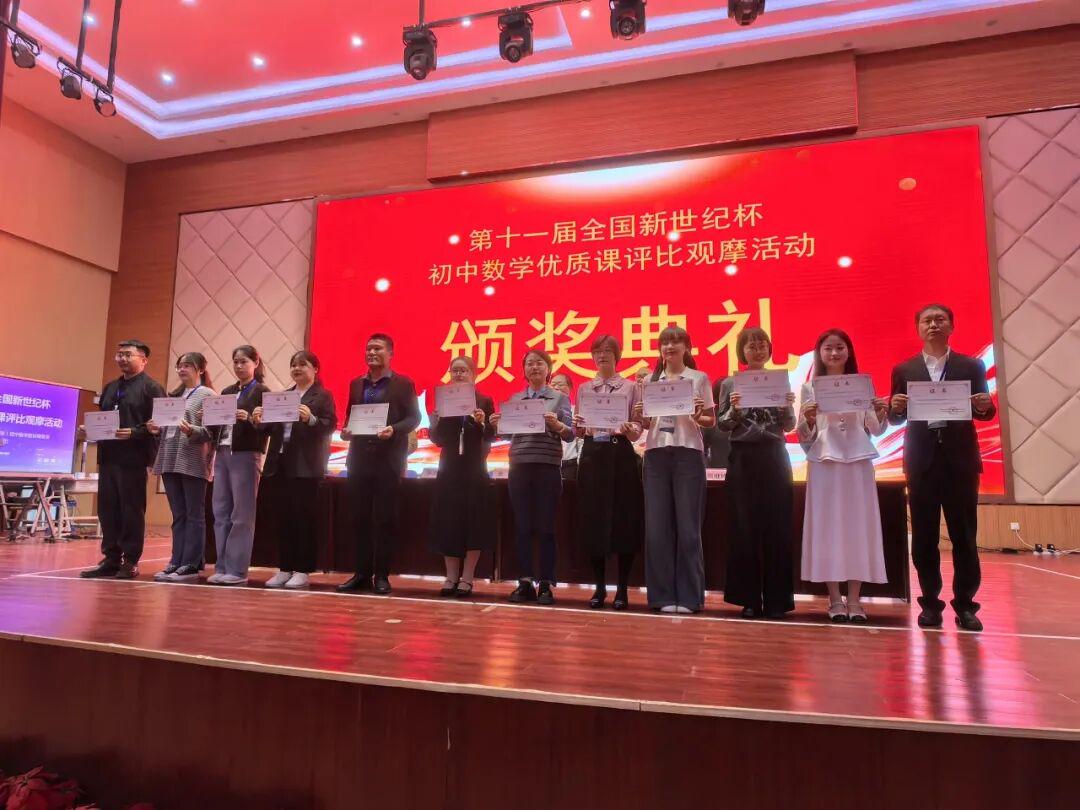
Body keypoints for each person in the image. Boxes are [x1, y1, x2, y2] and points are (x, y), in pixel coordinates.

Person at [889, 303, 996, 632]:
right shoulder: (904, 369)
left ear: (951, 326)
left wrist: (985, 406)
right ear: (918, 328)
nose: (933, 325)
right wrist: (895, 408)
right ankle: (930, 605)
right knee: (923, 538)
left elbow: (983, 411)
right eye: (927, 320)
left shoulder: (971, 365)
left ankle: (966, 605)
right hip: (921, 462)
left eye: (940, 319)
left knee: (965, 537)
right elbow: (895, 418)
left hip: (960, 461)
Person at [797, 330, 890, 622]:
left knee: (857, 527)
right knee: (827, 527)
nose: (834, 353)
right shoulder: (810, 388)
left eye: (839, 347)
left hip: (858, 462)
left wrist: (881, 412)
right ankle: (835, 599)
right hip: (824, 462)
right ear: (819, 353)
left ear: (848, 351)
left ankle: (854, 599)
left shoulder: (863, 383)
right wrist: (808, 419)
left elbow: (875, 428)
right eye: (828, 348)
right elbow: (804, 436)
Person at [633, 326, 714, 614]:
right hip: (656, 453)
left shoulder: (698, 378)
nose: (670, 346)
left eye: (676, 341)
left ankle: (690, 598)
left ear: (687, 347)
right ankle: (661, 596)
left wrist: (697, 414)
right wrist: (640, 415)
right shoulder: (649, 381)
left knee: (689, 529)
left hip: (688, 452)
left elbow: (710, 420)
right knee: (657, 529)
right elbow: (645, 423)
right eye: (665, 342)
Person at [717, 327, 796, 619]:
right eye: (751, 346)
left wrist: (787, 406)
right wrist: (736, 410)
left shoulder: (780, 380)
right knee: (744, 528)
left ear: (769, 350)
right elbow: (722, 425)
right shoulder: (730, 383)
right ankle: (748, 598)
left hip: (774, 456)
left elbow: (789, 425)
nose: (758, 351)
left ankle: (777, 600)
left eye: (762, 345)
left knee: (777, 527)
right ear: (742, 351)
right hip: (743, 458)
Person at [337, 334, 420, 596]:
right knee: (359, 518)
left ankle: (382, 575)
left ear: (390, 354)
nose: (371, 352)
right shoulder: (356, 383)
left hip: (388, 461)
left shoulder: (403, 384)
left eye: (377, 348)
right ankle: (361, 573)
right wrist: (346, 432)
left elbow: (414, 418)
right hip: (359, 460)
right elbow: (350, 417)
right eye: (368, 349)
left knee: (385, 519)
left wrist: (394, 430)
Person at [490, 349, 573, 605]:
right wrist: (497, 425)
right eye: (529, 364)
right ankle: (524, 581)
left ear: (548, 369)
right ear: (524, 370)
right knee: (523, 526)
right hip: (519, 465)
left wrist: (557, 425)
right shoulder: (516, 398)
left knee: (547, 527)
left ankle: (546, 583)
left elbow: (570, 433)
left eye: (539, 363)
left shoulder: (559, 398)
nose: (534, 367)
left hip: (547, 466)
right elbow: (508, 435)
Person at [79, 340, 166, 579]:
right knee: (107, 509)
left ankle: (130, 561)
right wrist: (89, 430)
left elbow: (161, 424)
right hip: (108, 456)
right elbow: (103, 418)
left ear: (143, 360)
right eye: (119, 355)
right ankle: (111, 558)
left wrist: (135, 432)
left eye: (128, 355)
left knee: (131, 509)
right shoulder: (110, 387)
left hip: (134, 458)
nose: (122, 359)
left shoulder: (152, 388)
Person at [253, 351, 336, 589]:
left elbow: (329, 425)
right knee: (283, 519)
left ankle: (302, 570)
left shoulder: (323, 395)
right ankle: (284, 569)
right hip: (279, 463)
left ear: (315, 369)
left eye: (302, 364)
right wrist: (259, 420)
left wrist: (311, 419)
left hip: (306, 466)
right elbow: (270, 429)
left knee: (304, 520)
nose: (297, 369)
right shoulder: (283, 396)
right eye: (293, 365)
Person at [572, 335, 643, 610]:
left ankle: (622, 589)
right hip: (593, 453)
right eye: (597, 352)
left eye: (607, 351)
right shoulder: (584, 388)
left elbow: (638, 428)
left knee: (624, 520)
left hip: (620, 453)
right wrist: (579, 426)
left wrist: (630, 428)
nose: (602, 356)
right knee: (593, 520)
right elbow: (580, 430)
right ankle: (599, 587)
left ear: (617, 356)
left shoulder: (630, 387)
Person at [427, 356, 496, 597]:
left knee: (473, 522)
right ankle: (450, 577)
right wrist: (436, 422)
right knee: (449, 522)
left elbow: (491, 435)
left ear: (473, 374)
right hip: (449, 468)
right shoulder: (444, 401)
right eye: (454, 370)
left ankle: (467, 578)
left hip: (474, 468)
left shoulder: (484, 401)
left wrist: (482, 422)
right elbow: (437, 439)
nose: (458, 374)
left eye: (463, 370)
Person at [147, 352, 217, 582]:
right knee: (178, 514)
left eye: (187, 365)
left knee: (194, 514)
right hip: (170, 458)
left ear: (200, 369)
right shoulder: (174, 396)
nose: (182, 370)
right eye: (179, 366)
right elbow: (165, 429)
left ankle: (191, 564)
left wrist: (190, 430)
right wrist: (156, 429)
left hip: (193, 459)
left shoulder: (208, 395)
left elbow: (212, 433)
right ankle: (176, 560)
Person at [207, 345, 270, 586]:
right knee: (220, 511)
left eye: (244, 361)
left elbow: (268, 426)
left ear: (256, 363)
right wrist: (208, 417)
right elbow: (217, 423)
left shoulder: (262, 391)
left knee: (242, 514)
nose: (239, 366)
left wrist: (252, 419)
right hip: (222, 451)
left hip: (246, 453)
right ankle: (221, 566)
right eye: (235, 362)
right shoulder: (227, 391)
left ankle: (237, 569)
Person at [551, 373, 580, 481]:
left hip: (571, 464)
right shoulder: (544, 410)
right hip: (549, 463)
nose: (556, 387)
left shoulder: (577, 410)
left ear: (570, 388)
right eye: (553, 384)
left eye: (560, 384)